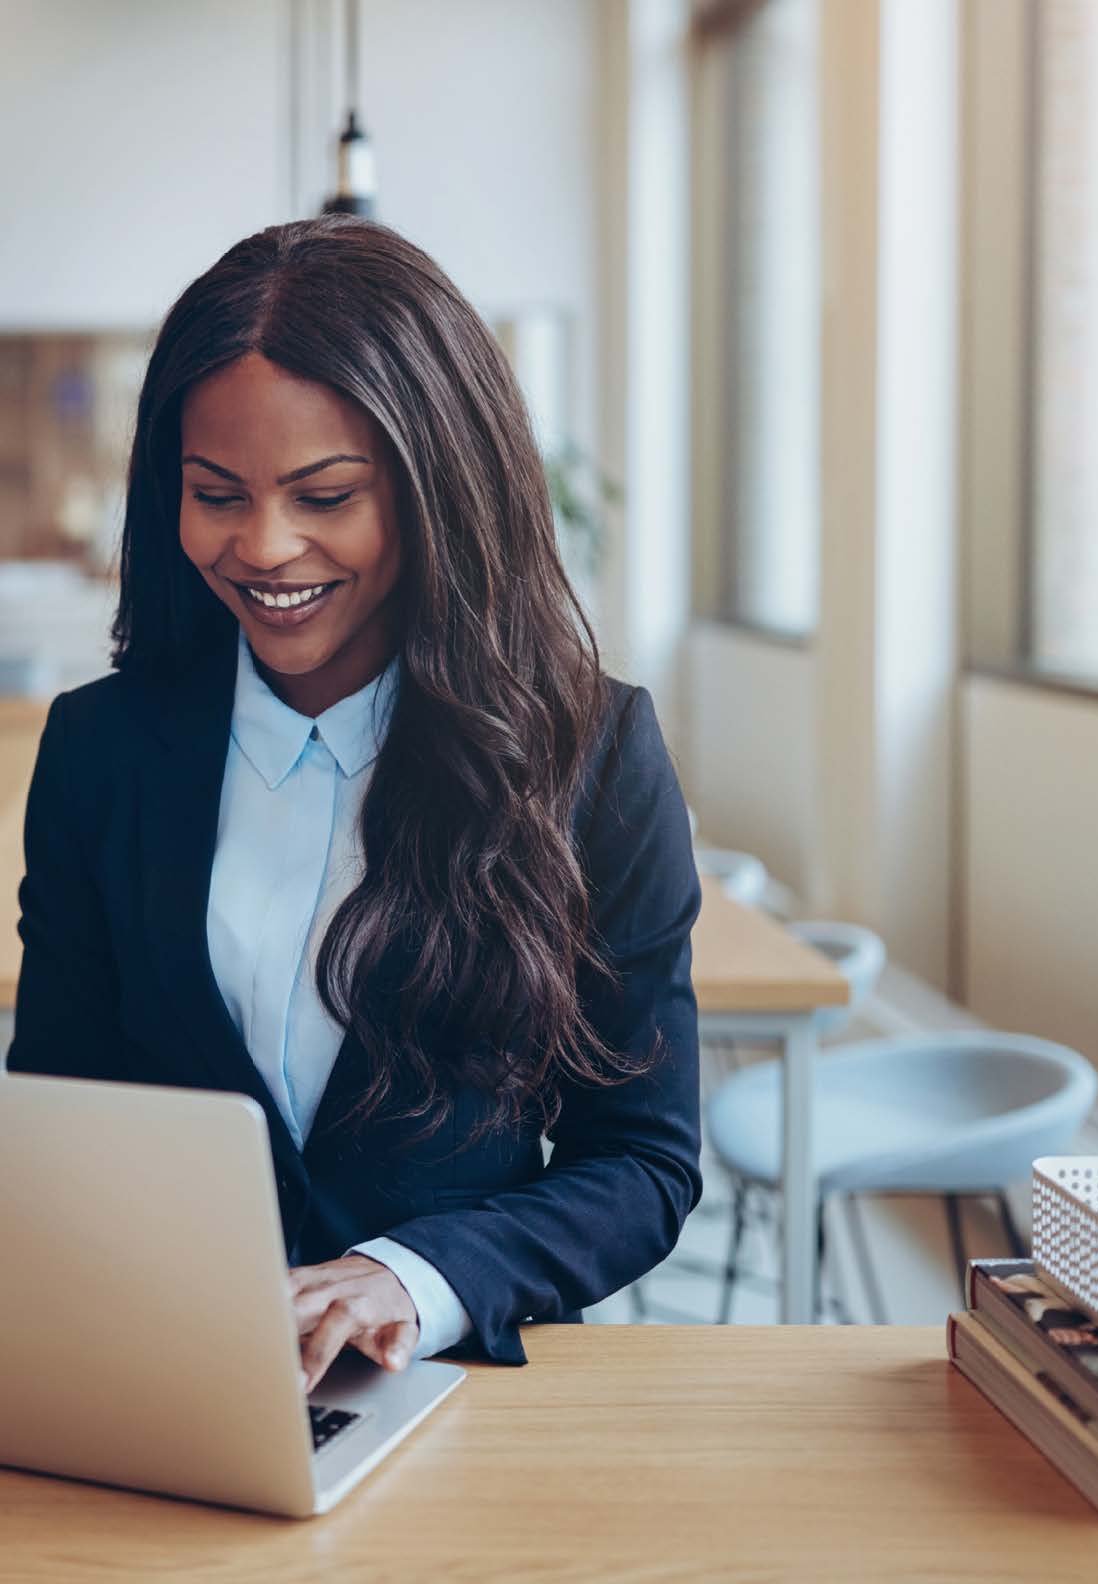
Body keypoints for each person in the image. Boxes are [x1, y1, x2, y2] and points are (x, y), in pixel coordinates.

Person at [7, 216, 702, 1383]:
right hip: (169, 1378)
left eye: (326, 495)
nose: (265, 547)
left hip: (455, 1388)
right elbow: (66, 1110)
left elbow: (639, 1162)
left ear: (441, 488)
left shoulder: (590, 752)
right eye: (214, 493)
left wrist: (412, 1280)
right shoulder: (101, 749)